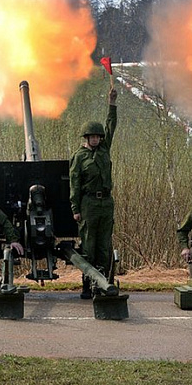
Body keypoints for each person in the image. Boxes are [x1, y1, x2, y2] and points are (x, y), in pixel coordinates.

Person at [69, 88, 118, 299]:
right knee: (88, 246)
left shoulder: (105, 149)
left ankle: (103, 283)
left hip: (106, 203)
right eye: (93, 137)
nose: (96, 139)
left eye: (98, 136)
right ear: (86, 138)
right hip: (88, 204)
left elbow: (111, 125)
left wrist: (112, 103)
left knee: (104, 246)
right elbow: (75, 183)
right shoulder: (79, 157)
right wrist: (76, 209)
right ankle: (87, 284)